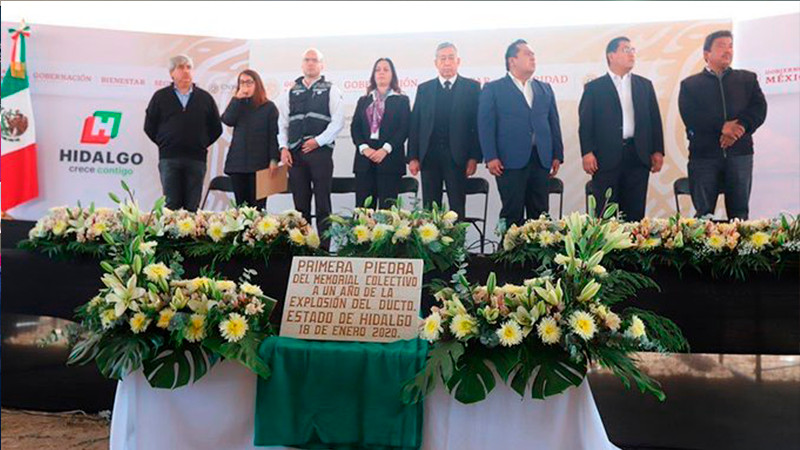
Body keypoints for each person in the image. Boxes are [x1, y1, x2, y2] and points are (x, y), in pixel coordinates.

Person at [678, 30, 767, 220]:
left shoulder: (747, 79)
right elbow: (691, 116)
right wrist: (721, 127)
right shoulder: (690, 85)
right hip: (704, 158)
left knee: (740, 215)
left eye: (730, 46)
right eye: (721, 46)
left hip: (740, 154)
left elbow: (759, 109)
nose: (727, 50)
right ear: (706, 54)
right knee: (704, 216)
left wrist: (739, 127)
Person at [478, 39, 564, 227]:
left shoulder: (544, 88)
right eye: (527, 54)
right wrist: (491, 157)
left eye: (533, 54)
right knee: (512, 213)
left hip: (541, 159)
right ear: (512, 61)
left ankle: (537, 256)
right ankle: (509, 255)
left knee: (540, 214)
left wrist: (557, 154)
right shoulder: (493, 89)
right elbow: (485, 126)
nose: (533, 58)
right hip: (509, 161)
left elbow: (553, 123)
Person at [578, 36, 664, 221]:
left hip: (638, 155)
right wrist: (587, 152)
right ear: (611, 55)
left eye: (633, 50)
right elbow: (586, 124)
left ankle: (632, 249)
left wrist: (658, 151)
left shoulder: (644, 85)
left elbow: (654, 121)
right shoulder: (594, 88)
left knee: (634, 215)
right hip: (605, 158)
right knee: (605, 214)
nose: (632, 53)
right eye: (626, 49)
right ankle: (606, 250)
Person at [407, 42, 481, 218]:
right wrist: (412, 157)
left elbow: (476, 126)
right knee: (429, 209)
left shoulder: (472, 88)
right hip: (429, 156)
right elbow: (415, 125)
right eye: (442, 58)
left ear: (458, 61)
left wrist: (474, 157)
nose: (447, 62)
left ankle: (457, 245)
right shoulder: (424, 89)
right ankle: (430, 244)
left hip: (458, 157)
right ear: (436, 63)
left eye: (450, 58)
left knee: (457, 208)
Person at [277, 48, 344, 241]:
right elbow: (282, 123)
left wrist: (318, 141)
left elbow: (338, 122)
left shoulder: (331, 89)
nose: (310, 63)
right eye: (307, 60)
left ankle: (323, 249)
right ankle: (302, 247)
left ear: (322, 65)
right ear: (302, 64)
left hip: (320, 153)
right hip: (295, 155)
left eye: (315, 60)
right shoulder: (291, 91)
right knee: (300, 206)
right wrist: (283, 148)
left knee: (323, 203)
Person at [144, 54, 222, 211]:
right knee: (171, 204)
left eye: (189, 67)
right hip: (169, 158)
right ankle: (170, 236)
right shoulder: (160, 97)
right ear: (172, 73)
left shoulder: (205, 98)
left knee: (192, 206)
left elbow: (216, 128)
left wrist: (200, 143)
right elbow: (149, 126)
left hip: (196, 159)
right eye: (181, 67)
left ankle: (191, 236)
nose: (186, 71)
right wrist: (165, 142)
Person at [351, 58, 410, 208]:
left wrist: (385, 149)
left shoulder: (401, 100)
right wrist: (364, 148)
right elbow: (355, 127)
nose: (381, 73)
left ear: (392, 75)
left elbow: (404, 129)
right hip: (365, 159)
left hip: (390, 159)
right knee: (364, 213)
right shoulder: (364, 100)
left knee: (388, 213)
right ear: (373, 75)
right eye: (378, 69)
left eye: (386, 69)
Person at [220, 69, 279, 209]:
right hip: (238, 165)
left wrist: (274, 160)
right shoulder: (238, 104)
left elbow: (274, 136)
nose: (245, 86)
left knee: (258, 209)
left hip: (261, 166)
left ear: (257, 84)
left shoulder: (269, 107)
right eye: (242, 82)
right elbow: (227, 119)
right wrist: (236, 99)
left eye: (249, 82)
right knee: (241, 209)